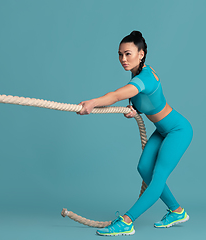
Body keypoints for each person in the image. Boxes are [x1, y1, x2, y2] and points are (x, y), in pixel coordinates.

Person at [78, 31, 193, 236]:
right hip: (162, 130)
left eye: (128, 54)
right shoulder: (136, 73)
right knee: (143, 168)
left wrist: (93, 102)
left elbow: (116, 95)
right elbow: (148, 101)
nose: (123, 59)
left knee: (158, 177)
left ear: (141, 54)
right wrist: (136, 110)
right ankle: (176, 211)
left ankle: (127, 221)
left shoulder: (145, 77)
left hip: (178, 130)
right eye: (120, 54)